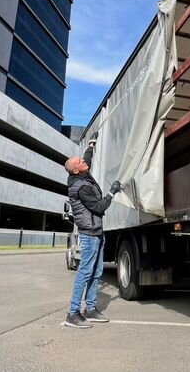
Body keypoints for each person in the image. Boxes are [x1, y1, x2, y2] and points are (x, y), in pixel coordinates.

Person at [64, 134, 121, 329]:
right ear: (76, 170)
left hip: (97, 232)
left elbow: (86, 158)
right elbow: (99, 207)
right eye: (79, 161)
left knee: (96, 272)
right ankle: (73, 313)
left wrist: (91, 145)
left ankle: (91, 309)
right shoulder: (80, 188)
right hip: (89, 235)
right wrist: (112, 193)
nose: (83, 160)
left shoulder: (81, 173)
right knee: (85, 273)